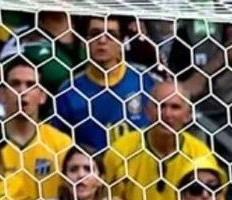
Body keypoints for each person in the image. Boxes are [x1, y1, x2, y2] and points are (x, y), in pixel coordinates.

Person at [103, 79, 221, 200]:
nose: (166, 114)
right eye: (160, 106)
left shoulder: (201, 156)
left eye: (175, 107)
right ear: (148, 111)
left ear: (187, 115)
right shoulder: (120, 152)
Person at [53, 14, 155, 152]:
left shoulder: (145, 81)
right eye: (95, 34)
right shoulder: (69, 91)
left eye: (111, 35)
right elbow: (59, 145)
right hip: (92, 171)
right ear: (84, 41)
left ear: (122, 42)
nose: (102, 40)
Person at [0, 57, 73, 200]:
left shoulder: (61, 144)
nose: (22, 91)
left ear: (42, 96)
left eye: (30, 84)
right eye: (15, 84)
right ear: (1, 94)